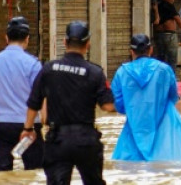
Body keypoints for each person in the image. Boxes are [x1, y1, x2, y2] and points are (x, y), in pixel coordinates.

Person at [22, 21, 115, 185]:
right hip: (86, 140)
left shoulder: (49, 69)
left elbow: (33, 103)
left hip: (58, 141)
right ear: (88, 44)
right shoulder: (95, 72)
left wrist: (28, 129)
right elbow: (107, 106)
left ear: (64, 42)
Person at [111, 34, 181, 162]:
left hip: (134, 127)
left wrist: (135, 110)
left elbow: (118, 104)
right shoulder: (164, 69)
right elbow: (173, 96)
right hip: (162, 125)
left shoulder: (121, 72)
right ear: (151, 50)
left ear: (131, 51)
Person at [0, 17, 44, 171]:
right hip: (28, 126)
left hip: (2, 127)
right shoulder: (33, 64)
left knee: (2, 173)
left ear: (6, 37)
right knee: (35, 172)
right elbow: (39, 98)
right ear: (27, 39)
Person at [152, 0, 181, 70]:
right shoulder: (169, 6)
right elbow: (178, 20)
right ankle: (171, 76)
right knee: (172, 59)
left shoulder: (158, 7)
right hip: (169, 35)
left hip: (158, 35)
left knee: (161, 58)